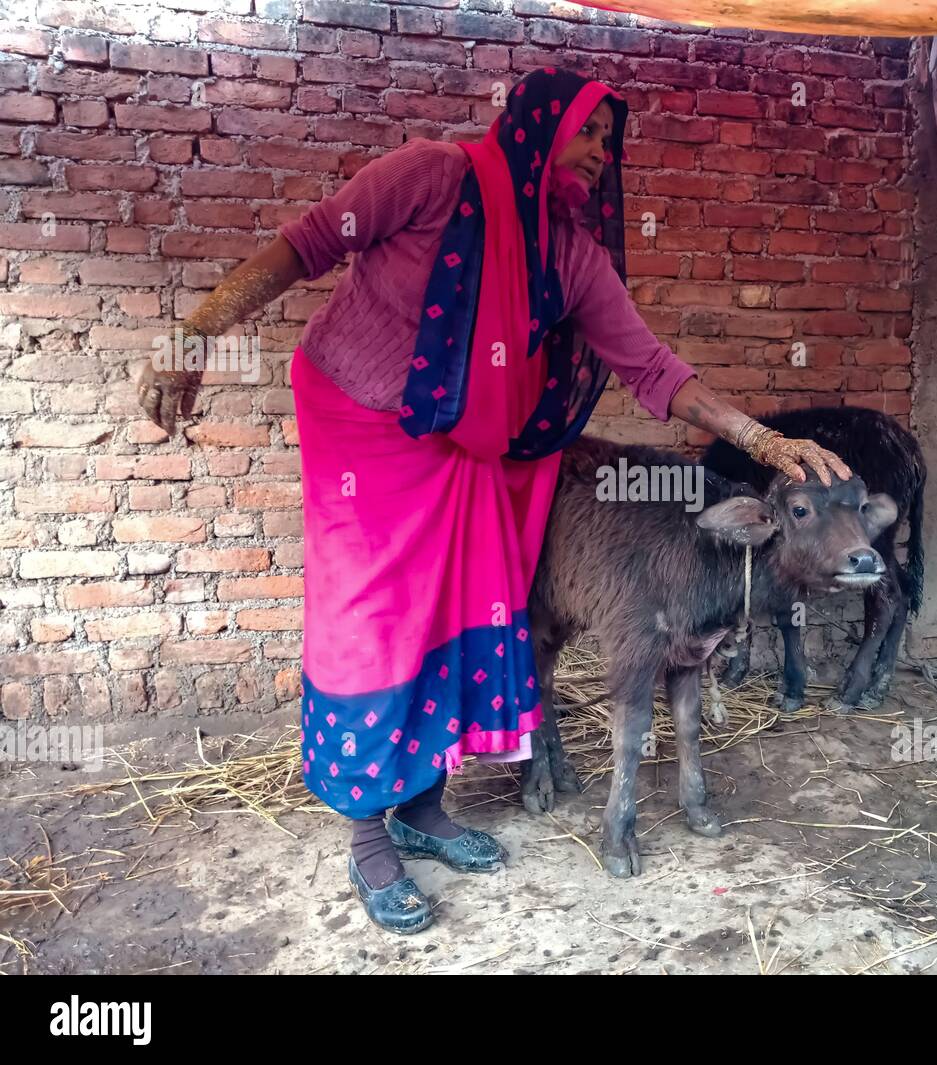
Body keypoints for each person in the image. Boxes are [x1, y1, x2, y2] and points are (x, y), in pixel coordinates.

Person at [137, 68, 851, 934]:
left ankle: (423, 807)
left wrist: (766, 444)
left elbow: (653, 367)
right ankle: (369, 833)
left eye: (608, 143)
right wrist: (197, 330)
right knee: (377, 620)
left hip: (469, 446)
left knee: (466, 606)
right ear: (540, 125)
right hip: (360, 423)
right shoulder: (431, 176)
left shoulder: (570, 255)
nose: (600, 154)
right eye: (589, 132)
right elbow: (310, 241)